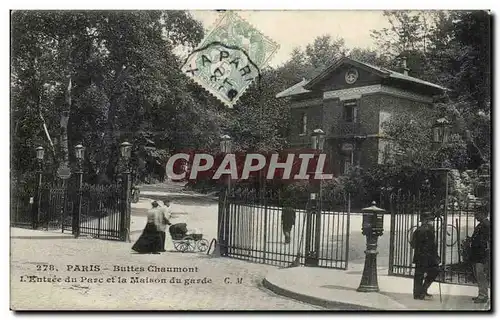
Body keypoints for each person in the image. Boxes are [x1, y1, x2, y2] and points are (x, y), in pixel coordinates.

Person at [410, 212, 440, 300]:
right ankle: (423, 290)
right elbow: (432, 246)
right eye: (431, 220)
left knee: (418, 275)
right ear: (426, 220)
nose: (432, 221)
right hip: (429, 257)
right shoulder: (429, 230)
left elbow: (412, 244)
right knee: (434, 271)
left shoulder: (417, 230)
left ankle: (417, 294)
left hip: (419, 256)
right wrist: (436, 257)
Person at [469, 204, 490, 303]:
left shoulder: (486, 225)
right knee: (478, 274)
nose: (475, 216)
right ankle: (481, 294)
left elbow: (487, 241)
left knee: (481, 274)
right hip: (477, 254)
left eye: (477, 214)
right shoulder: (481, 224)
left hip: (481, 254)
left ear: (482, 214)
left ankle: (483, 296)